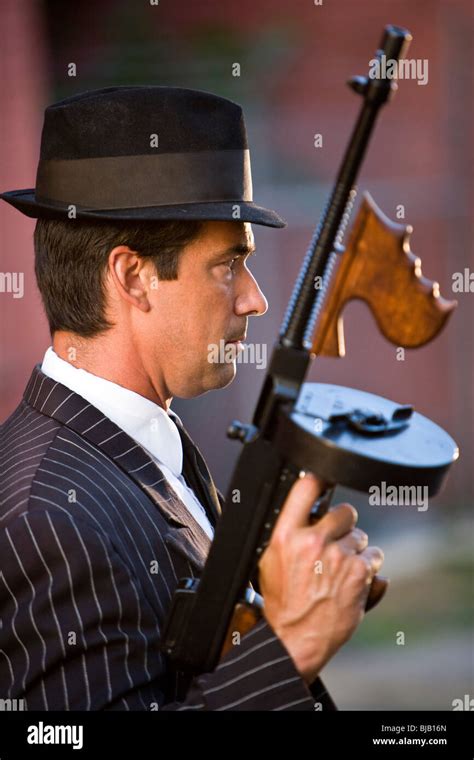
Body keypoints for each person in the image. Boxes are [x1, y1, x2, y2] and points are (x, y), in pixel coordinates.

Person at [0, 86, 384, 710]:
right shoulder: (51, 521)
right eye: (229, 264)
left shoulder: (145, 441)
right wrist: (289, 648)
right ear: (132, 277)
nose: (255, 299)